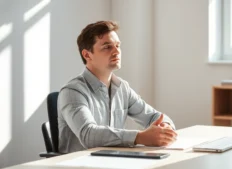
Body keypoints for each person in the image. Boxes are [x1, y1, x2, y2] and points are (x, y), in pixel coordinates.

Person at [57, 21, 177, 153]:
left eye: (117, 46)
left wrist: (164, 128)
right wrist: (140, 137)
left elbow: (153, 116)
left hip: (113, 161)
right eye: (107, 47)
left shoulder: (122, 88)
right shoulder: (72, 91)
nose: (116, 51)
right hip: (78, 165)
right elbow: (88, 134)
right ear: (87, 55)